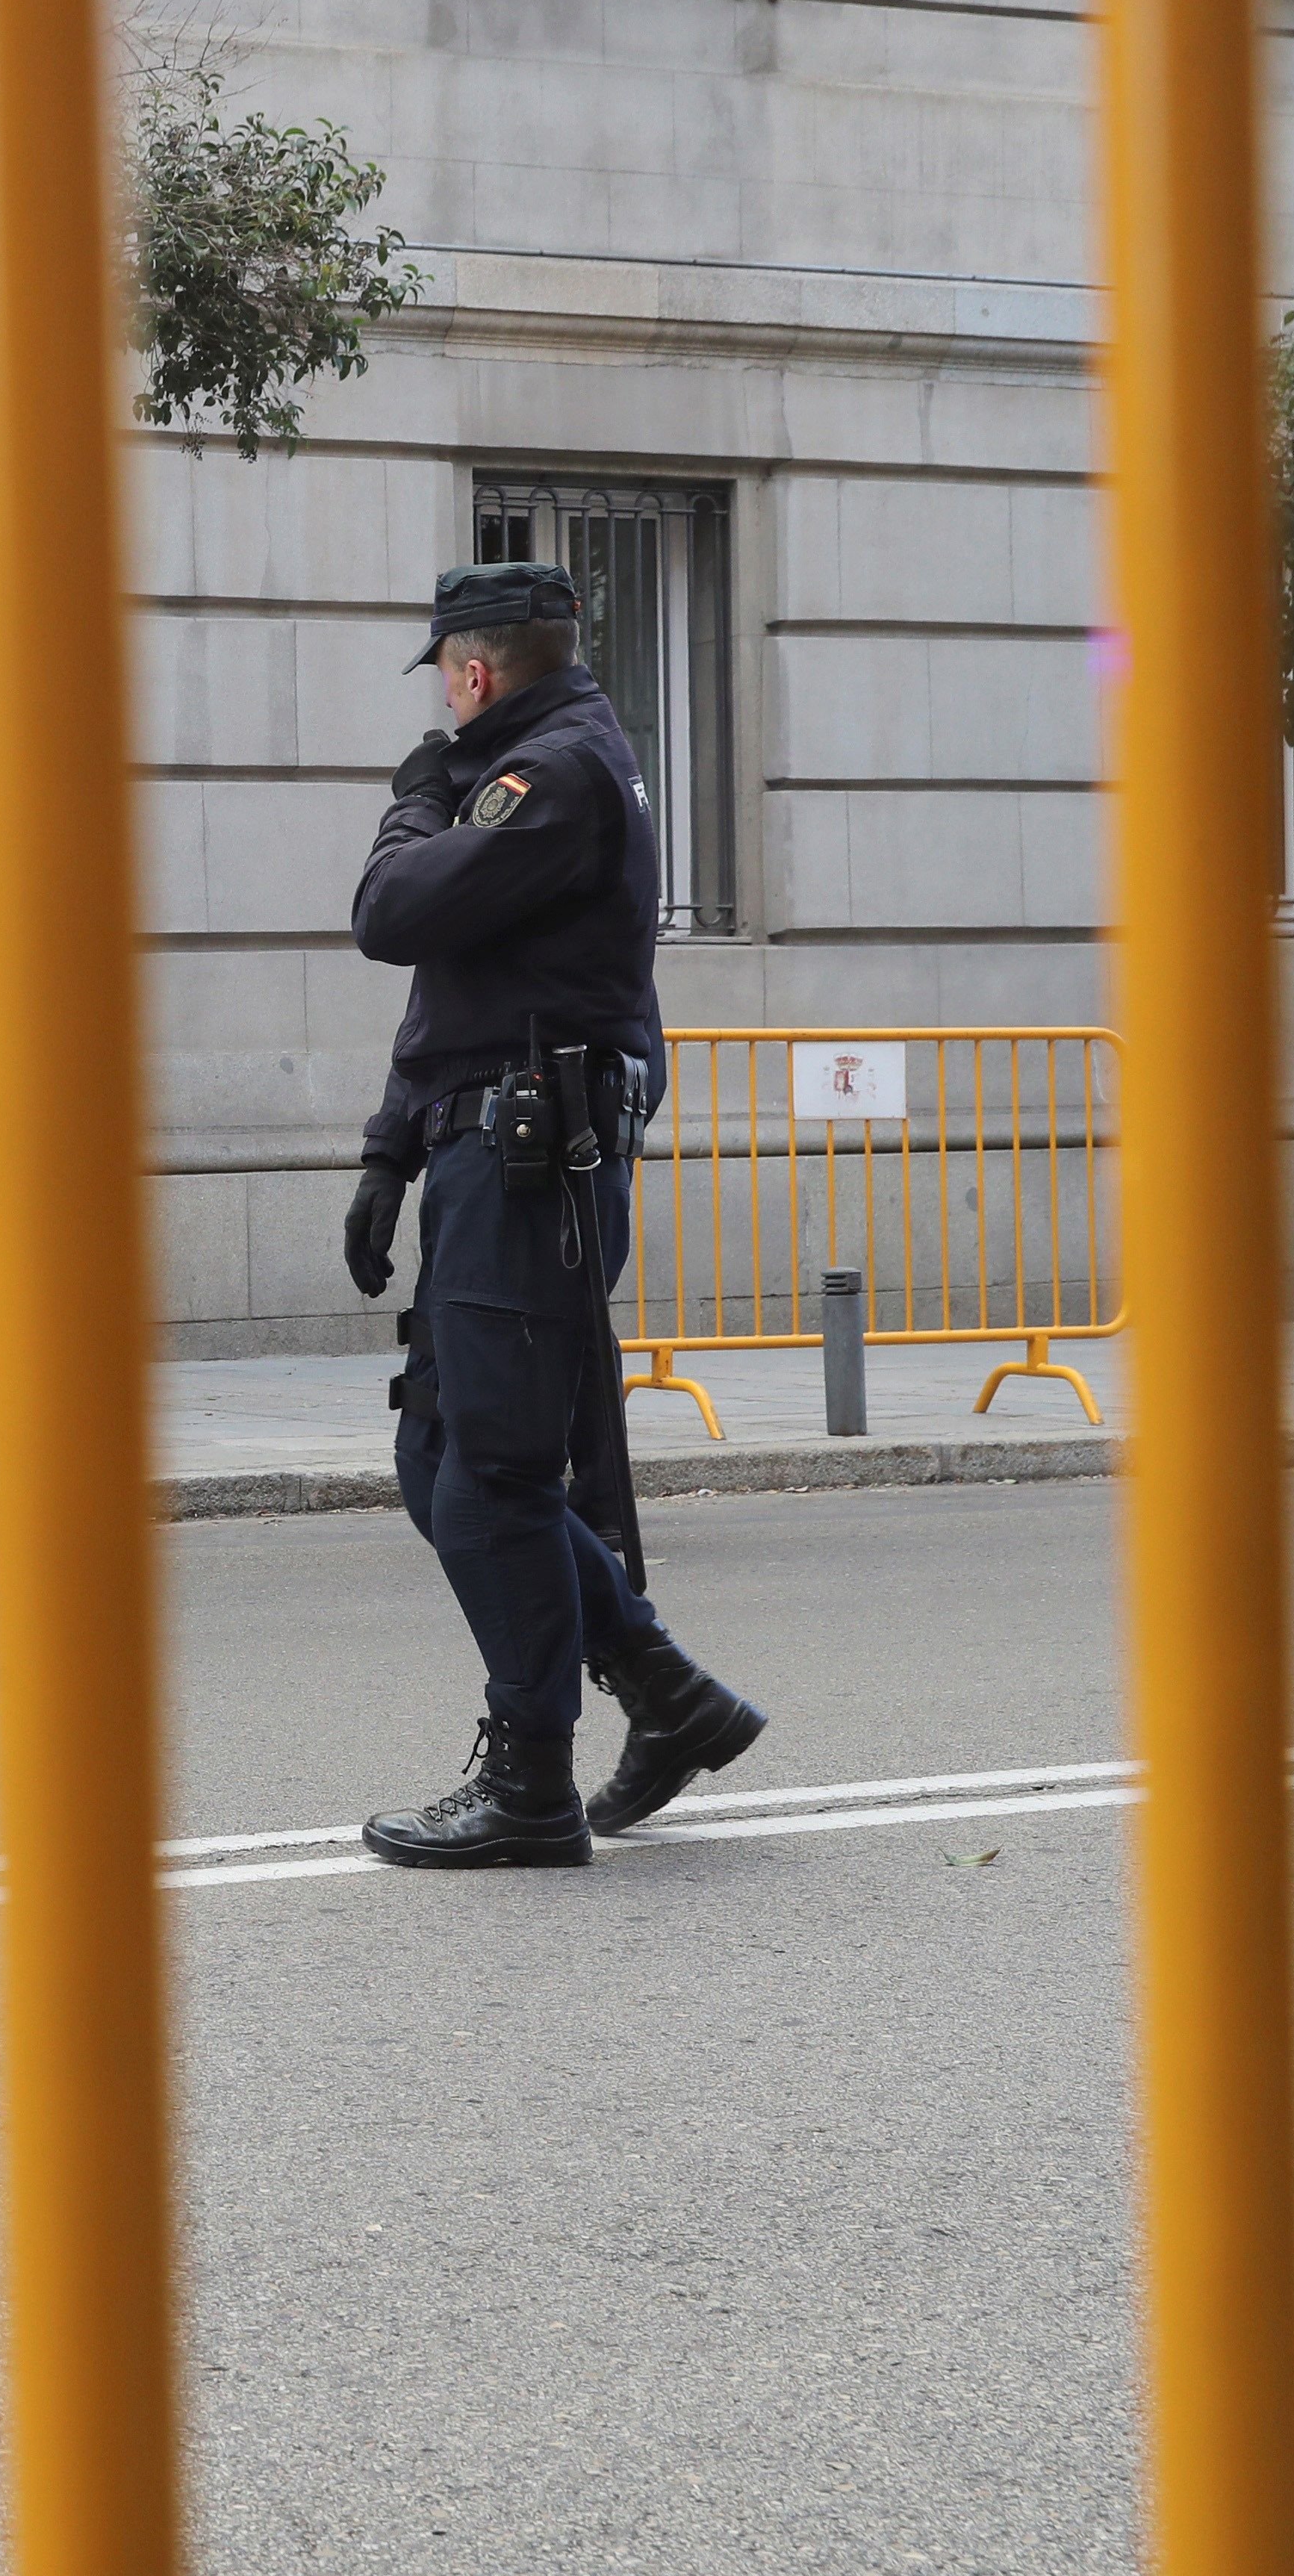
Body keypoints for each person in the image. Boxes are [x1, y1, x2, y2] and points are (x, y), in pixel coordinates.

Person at [343, 564, 766, 1867]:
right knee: (441, 1460)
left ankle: (530, 1778)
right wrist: (386, 1153)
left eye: (447, 678)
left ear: (472, 670)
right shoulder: (534, 765)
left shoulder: (558, 771)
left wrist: (413, 804)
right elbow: (460, 992)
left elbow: (393, 917)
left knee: (492, 1478)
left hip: (534, 1163)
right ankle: (661, 1686)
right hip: (487, 1148)